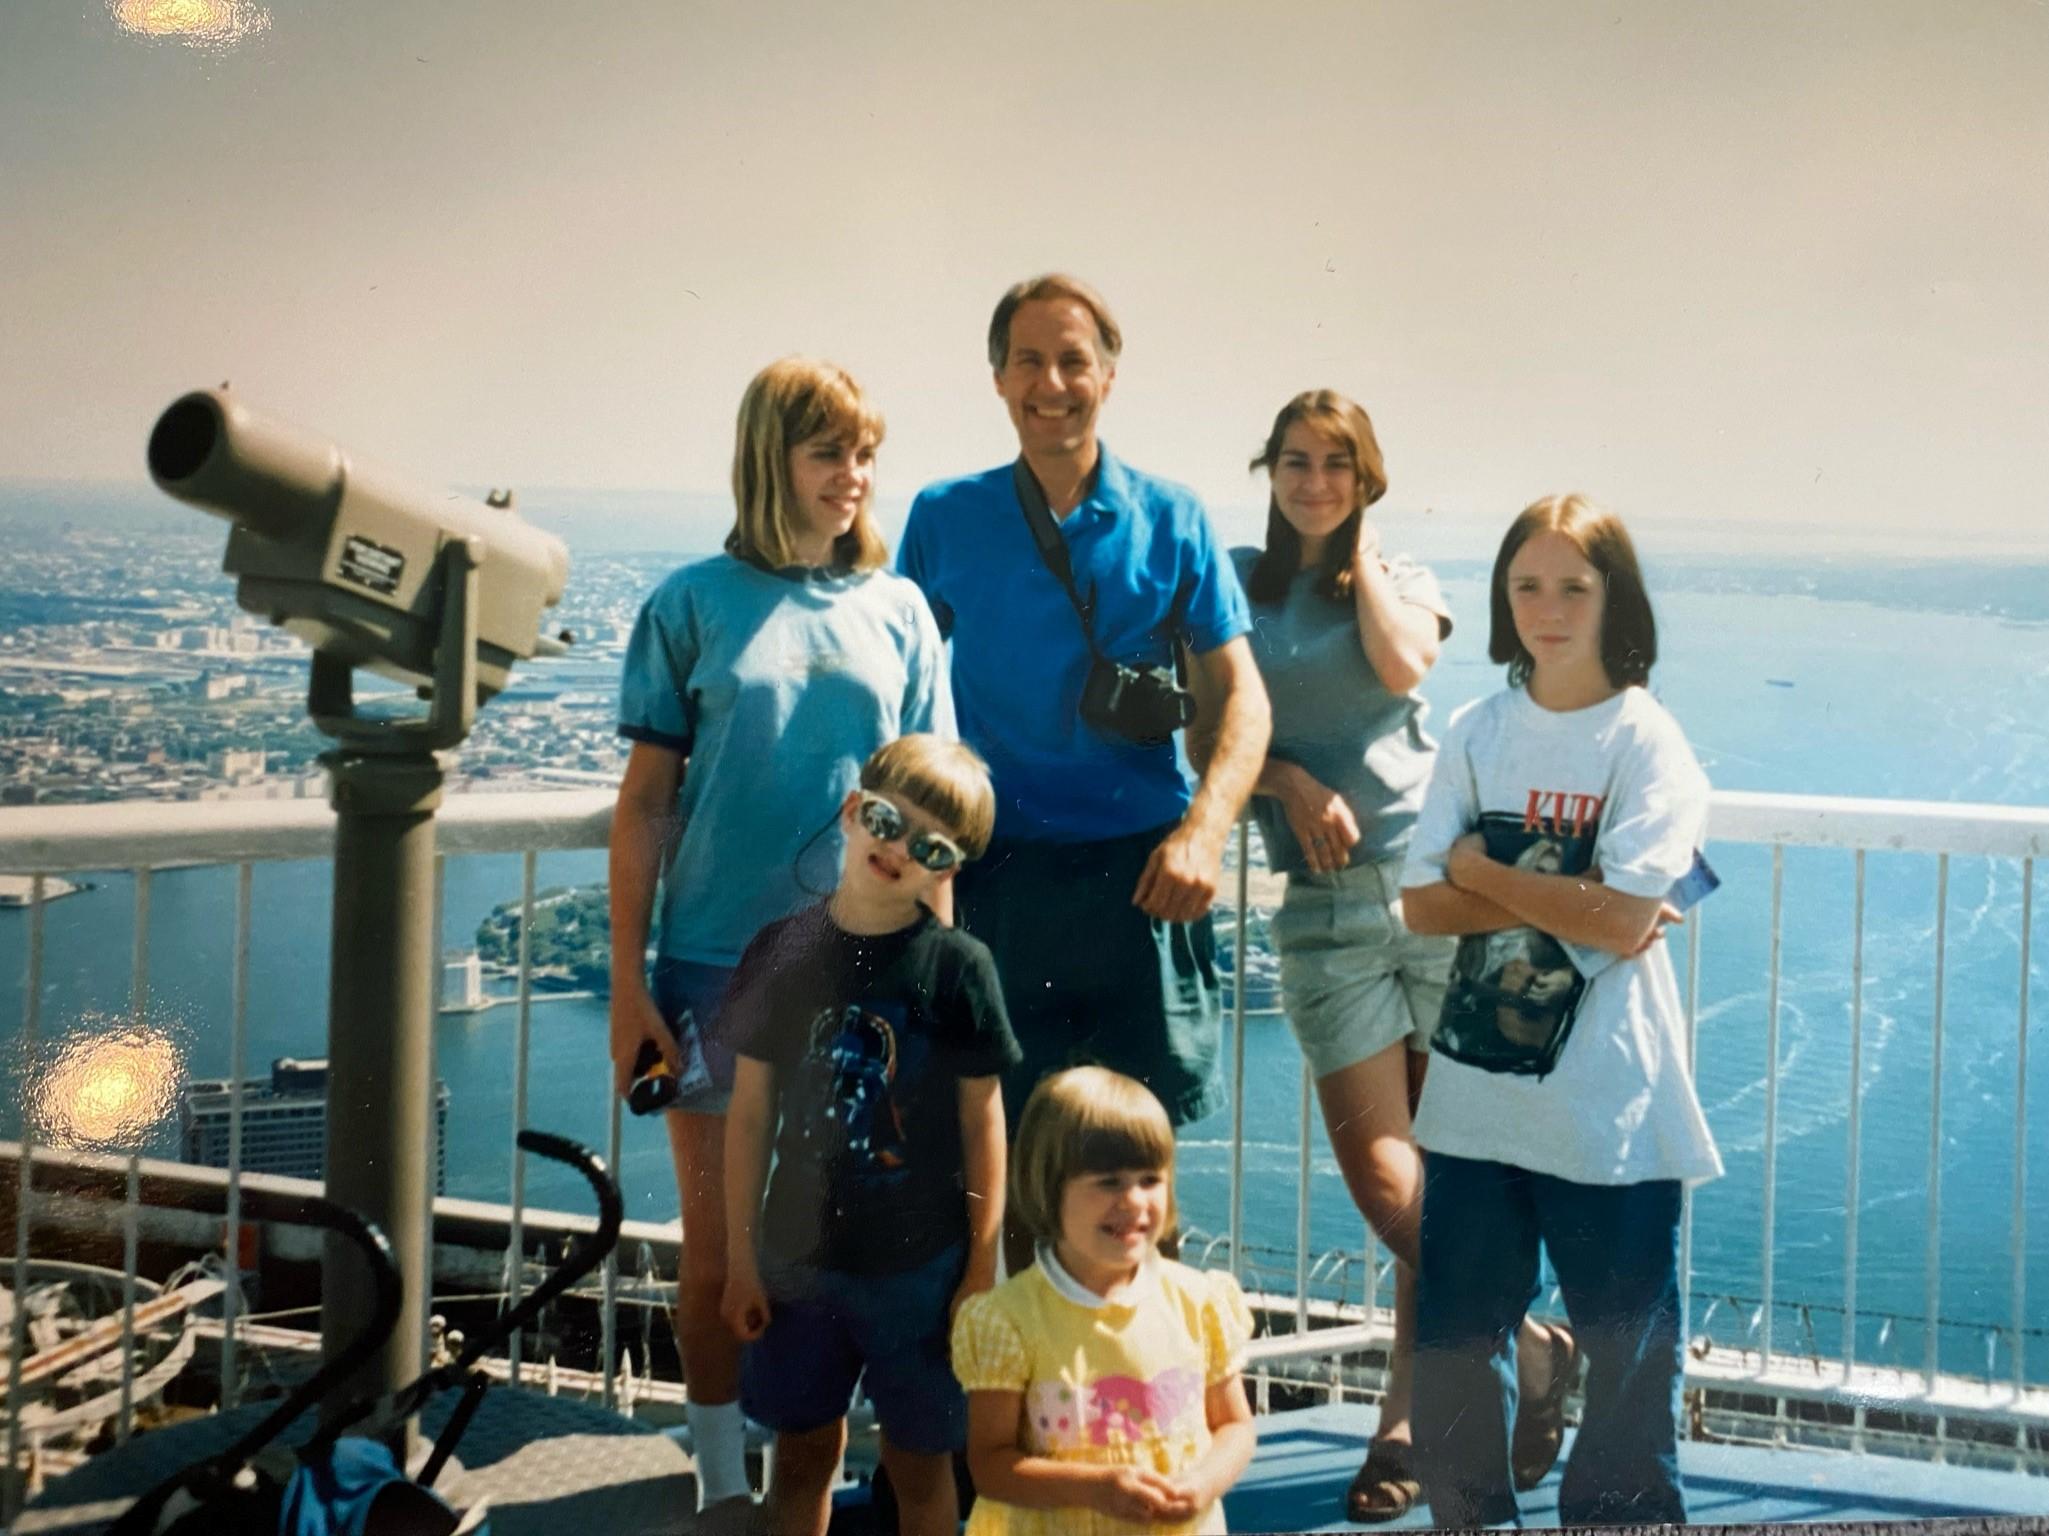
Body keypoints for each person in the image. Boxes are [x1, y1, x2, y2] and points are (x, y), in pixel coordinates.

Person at [608, 358, 950, 1521]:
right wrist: (626, 988)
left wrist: (939, 985)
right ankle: (718, 1483)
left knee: (847, 1248)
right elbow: (644, 803)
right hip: (711, 972)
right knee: (716, 1251)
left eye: (865, 453)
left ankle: (815, 1479)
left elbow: (932, 818)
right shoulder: (691, 603)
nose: (853, 475)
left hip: (867, 974)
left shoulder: (900, 611)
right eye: (827, 452)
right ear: (771, 459)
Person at [1225, 389, 1561, 1521]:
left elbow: (1404, 665)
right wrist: (1284, 780)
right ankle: (1533, 1344)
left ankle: (1402, 1427)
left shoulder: (1403, 578)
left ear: (1368, 479)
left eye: (1338, 465)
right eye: (1295, 461)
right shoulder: (1235, 584)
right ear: (1267, 471)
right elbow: (1206, 726)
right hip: (1324, 907)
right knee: (1386, 1178)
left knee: (1440, 1163)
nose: (1313, 481)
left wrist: (1354, 551)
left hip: (1435, 889)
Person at [898, 274, 1271, 1240]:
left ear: (1108, 376)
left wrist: (1203, 835)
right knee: (1011, 1170)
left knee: (1138, 1181)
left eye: (1073, 361)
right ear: (996, 378)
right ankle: (1021, 1348)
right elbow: (894, 691)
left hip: (1142, 878)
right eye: (1028, 360)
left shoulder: (1172, 517)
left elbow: (1242, 700)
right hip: (996, 878)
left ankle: (1143, 1349)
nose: (1051, 383)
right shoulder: (945, 516)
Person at [1399, 494, 1719, 1527]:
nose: (1547, 609)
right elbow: (1420, 905)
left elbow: (1619, 922)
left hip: (1608, 1110)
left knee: (1627, 1364)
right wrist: (1572, 896)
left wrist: (1480, 869)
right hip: (1476, 1103)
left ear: (1614, 598)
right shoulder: (1476, 729)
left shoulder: (1645, 740)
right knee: (1456, 1349)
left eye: (1574, 587)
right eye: (1526, 585)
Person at [719, 734, 1019, 1536]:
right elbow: (748, 1114)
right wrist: (741, 1261)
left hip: (921, 1273)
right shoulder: (781, 953)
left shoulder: (957, 969)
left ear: (947, 870)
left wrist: (980, 1269)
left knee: (920, 1467)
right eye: (887, 821)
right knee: (801, 1456)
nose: (898, 848)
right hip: (795, 1264)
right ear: (852, 811)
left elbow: (983, 1120)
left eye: (930, 846)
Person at [951, 1066, 1257, 1535]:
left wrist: (1202, 1483)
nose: (1133, 1201)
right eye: (1109, 1181)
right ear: (1049, 1189)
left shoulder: (1199, 1303)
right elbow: (991, 1465)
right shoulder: (1009, 1320)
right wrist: (1093, 1488)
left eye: (1150, 1179)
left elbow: (1235, 1427)